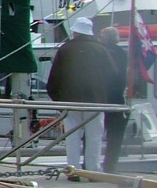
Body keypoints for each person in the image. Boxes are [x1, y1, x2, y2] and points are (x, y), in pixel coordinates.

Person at [46, 16, 113, 175]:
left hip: (70, 101)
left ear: (75, 32)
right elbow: (113, 75)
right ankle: (92, 170)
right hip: (96, 101)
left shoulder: (65, 49)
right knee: (95, 136)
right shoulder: (101, 49)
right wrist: (105, 97)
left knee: (72, 136)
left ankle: (72, 169)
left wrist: (58, 100)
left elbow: (54, 78)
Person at [97, 25, 131, 172]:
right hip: (117, 98)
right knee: (115, 136)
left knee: (95, 133)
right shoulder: (122, 53)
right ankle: (110, 163)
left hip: (102, 98)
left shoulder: (101, 53)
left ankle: (91, 163)